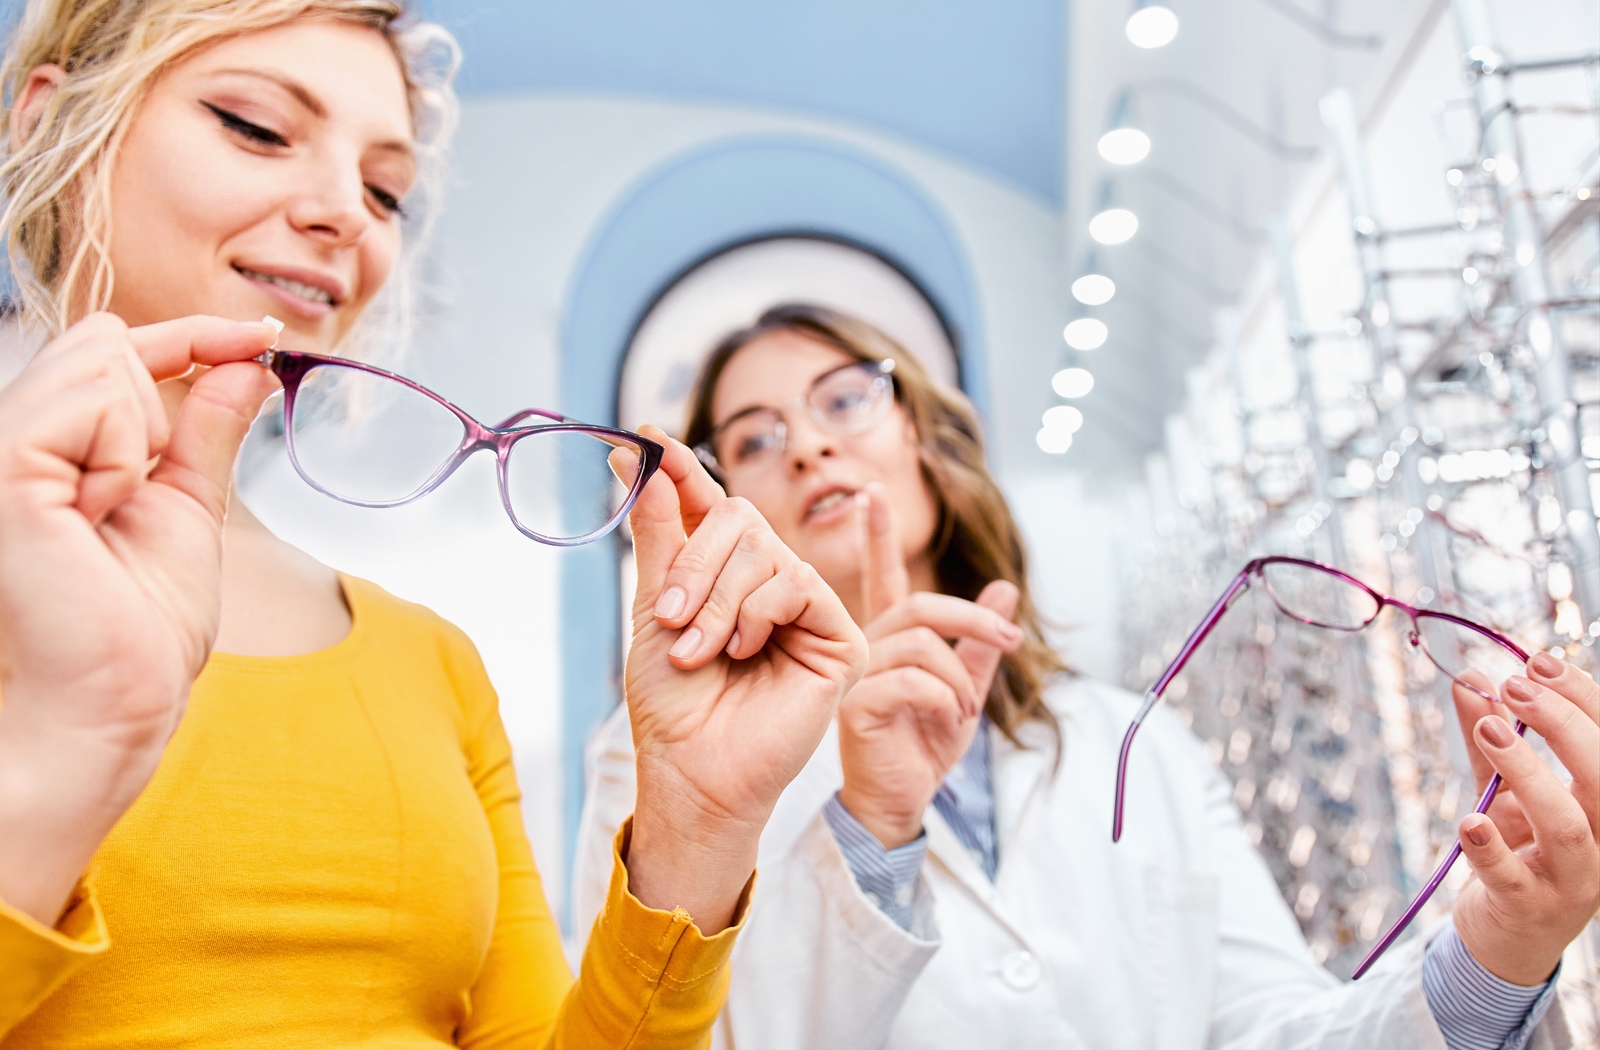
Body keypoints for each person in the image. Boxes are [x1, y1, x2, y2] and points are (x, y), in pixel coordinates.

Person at [0, 5, 867, 1045]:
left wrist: (699, 827)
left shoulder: (433, 663)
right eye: (257, 126)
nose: (347, 216)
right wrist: (68, 747)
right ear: (46, 123)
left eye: (386, 192)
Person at [574, 303, 1599, 1049]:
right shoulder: (653, 759)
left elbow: (1276, 1034)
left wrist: (1498, 950)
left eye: (845, 397)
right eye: (754, 438)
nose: (807, 445)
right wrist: (872, 828)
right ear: (727, 502)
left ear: (928, 439)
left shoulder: (1131, 743)